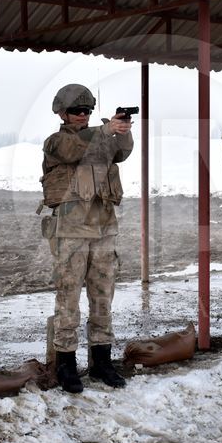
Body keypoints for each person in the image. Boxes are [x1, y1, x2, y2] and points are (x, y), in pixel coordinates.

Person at [39, 84, 133, 393]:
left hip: (104, 226)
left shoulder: (101, 138)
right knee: (68, 297)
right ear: (62, 114)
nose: (83, 115)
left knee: (103, 295)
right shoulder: (56, 142)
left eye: (88, 111)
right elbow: (75, 150)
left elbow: (122, 152)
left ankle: (101, 361)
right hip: (72, 229)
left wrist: (123, 131)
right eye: (77, 111)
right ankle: (66, 363)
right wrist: (106, 130)